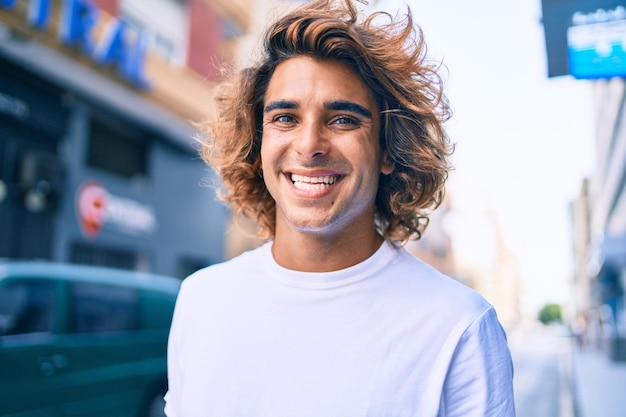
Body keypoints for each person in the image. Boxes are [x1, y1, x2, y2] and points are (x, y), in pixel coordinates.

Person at [164, 0, 516, 416]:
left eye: (344, 120)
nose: (310, 145)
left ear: (387, 149)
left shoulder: (459, 327)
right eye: (285, 118)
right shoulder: (200, 300)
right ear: (259, 146)